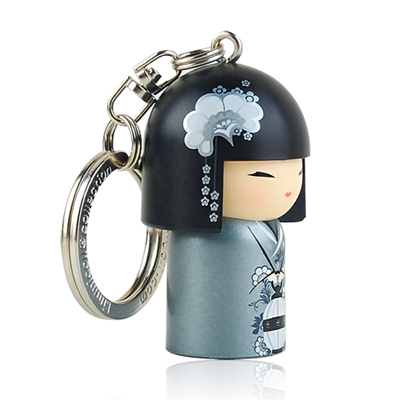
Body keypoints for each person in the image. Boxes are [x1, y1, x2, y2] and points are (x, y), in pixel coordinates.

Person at [141, 61, 310, 358]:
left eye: (296, 173)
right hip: (195, 357)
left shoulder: (271, 228)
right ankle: (205, 342)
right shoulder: (198, 239)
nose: (287, 189)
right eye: (261, 175)